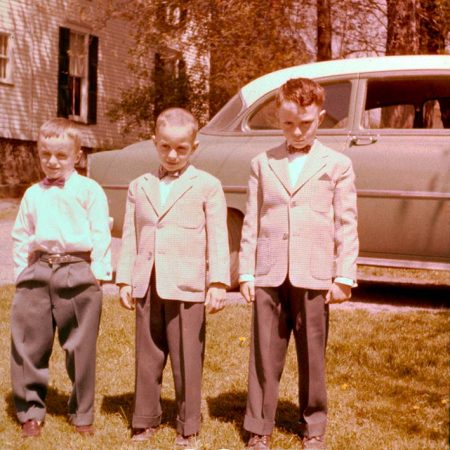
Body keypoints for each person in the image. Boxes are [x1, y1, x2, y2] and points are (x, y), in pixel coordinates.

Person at [239, 78, 359, 450]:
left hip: (315, 274)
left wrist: (343, 276)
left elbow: (346, 222)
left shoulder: (337, 164)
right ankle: (259, 425)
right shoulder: (262, 163)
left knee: (312, 354)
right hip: (269, 273)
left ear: (320, 118)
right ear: (278, 118)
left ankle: (314, 424)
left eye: (305, 123)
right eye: (288, 123)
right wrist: (246, 271)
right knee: (264, 353)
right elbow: (251, 220)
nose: (297, 131)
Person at [116, 107, 230, 448]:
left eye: (181, 148)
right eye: (165, 146)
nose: (172, 154)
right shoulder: (140, 186)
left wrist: (218, 282)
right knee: (148, 355)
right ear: (155, 142)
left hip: (187, 284)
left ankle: (188, 425)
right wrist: (125, 279)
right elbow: (131, 235)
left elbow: (218, 236)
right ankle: (145, 419)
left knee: (186, 357)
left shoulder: (207, 185)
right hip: (147, 281)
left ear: (194, 146)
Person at [10, 118, 112, 438]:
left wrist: (98, 275)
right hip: (38, 270)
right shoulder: (32, 194)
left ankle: (81, 413)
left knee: (79, 345)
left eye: (61, 155)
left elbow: (100, 232)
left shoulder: (90, 190)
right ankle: (30, 411)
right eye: (45, 155)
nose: (52, 162)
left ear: (77, 156)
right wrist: (22, 274)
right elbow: (21, 236)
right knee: (29, 344)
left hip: (77, 270)